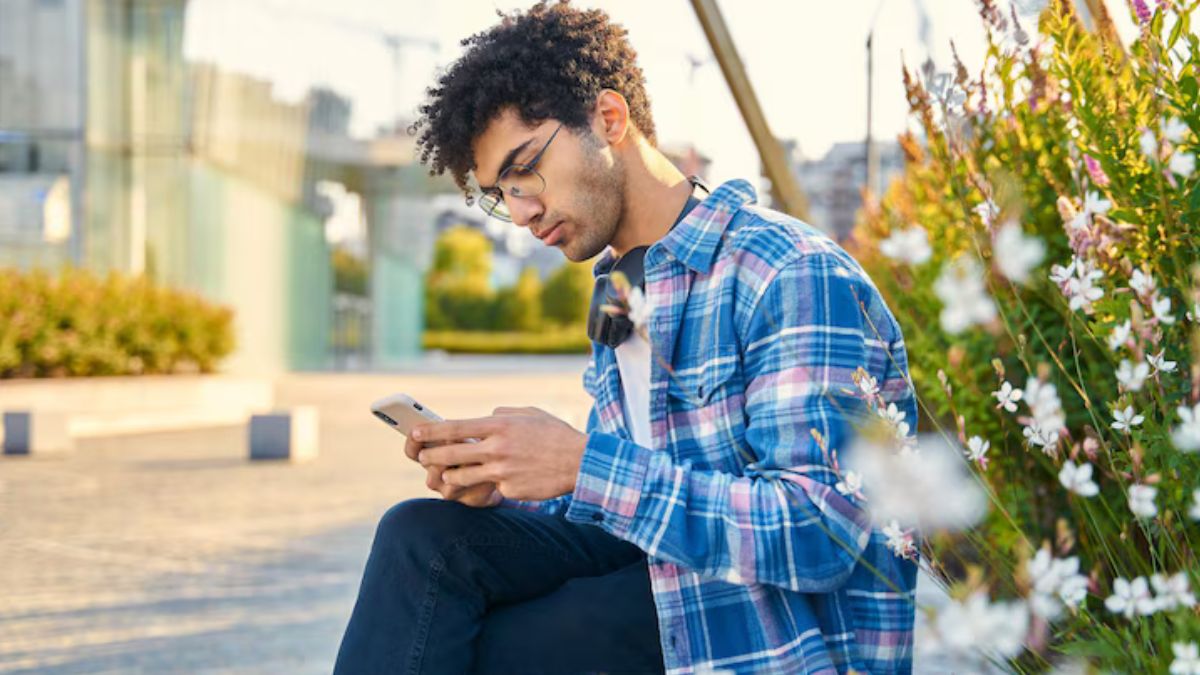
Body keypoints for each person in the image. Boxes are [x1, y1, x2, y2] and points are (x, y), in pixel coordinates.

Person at [334, 2, 918, 673]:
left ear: (609, 120)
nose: (521, 211)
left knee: (472, 649)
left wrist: (583, 463)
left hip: (762, 638)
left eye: (525, 170)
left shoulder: (787, 272)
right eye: (501, 193)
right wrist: (516, 481)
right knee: (422, 539)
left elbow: (825, 533)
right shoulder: (619, 286)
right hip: (660, 594)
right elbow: (627, 503)